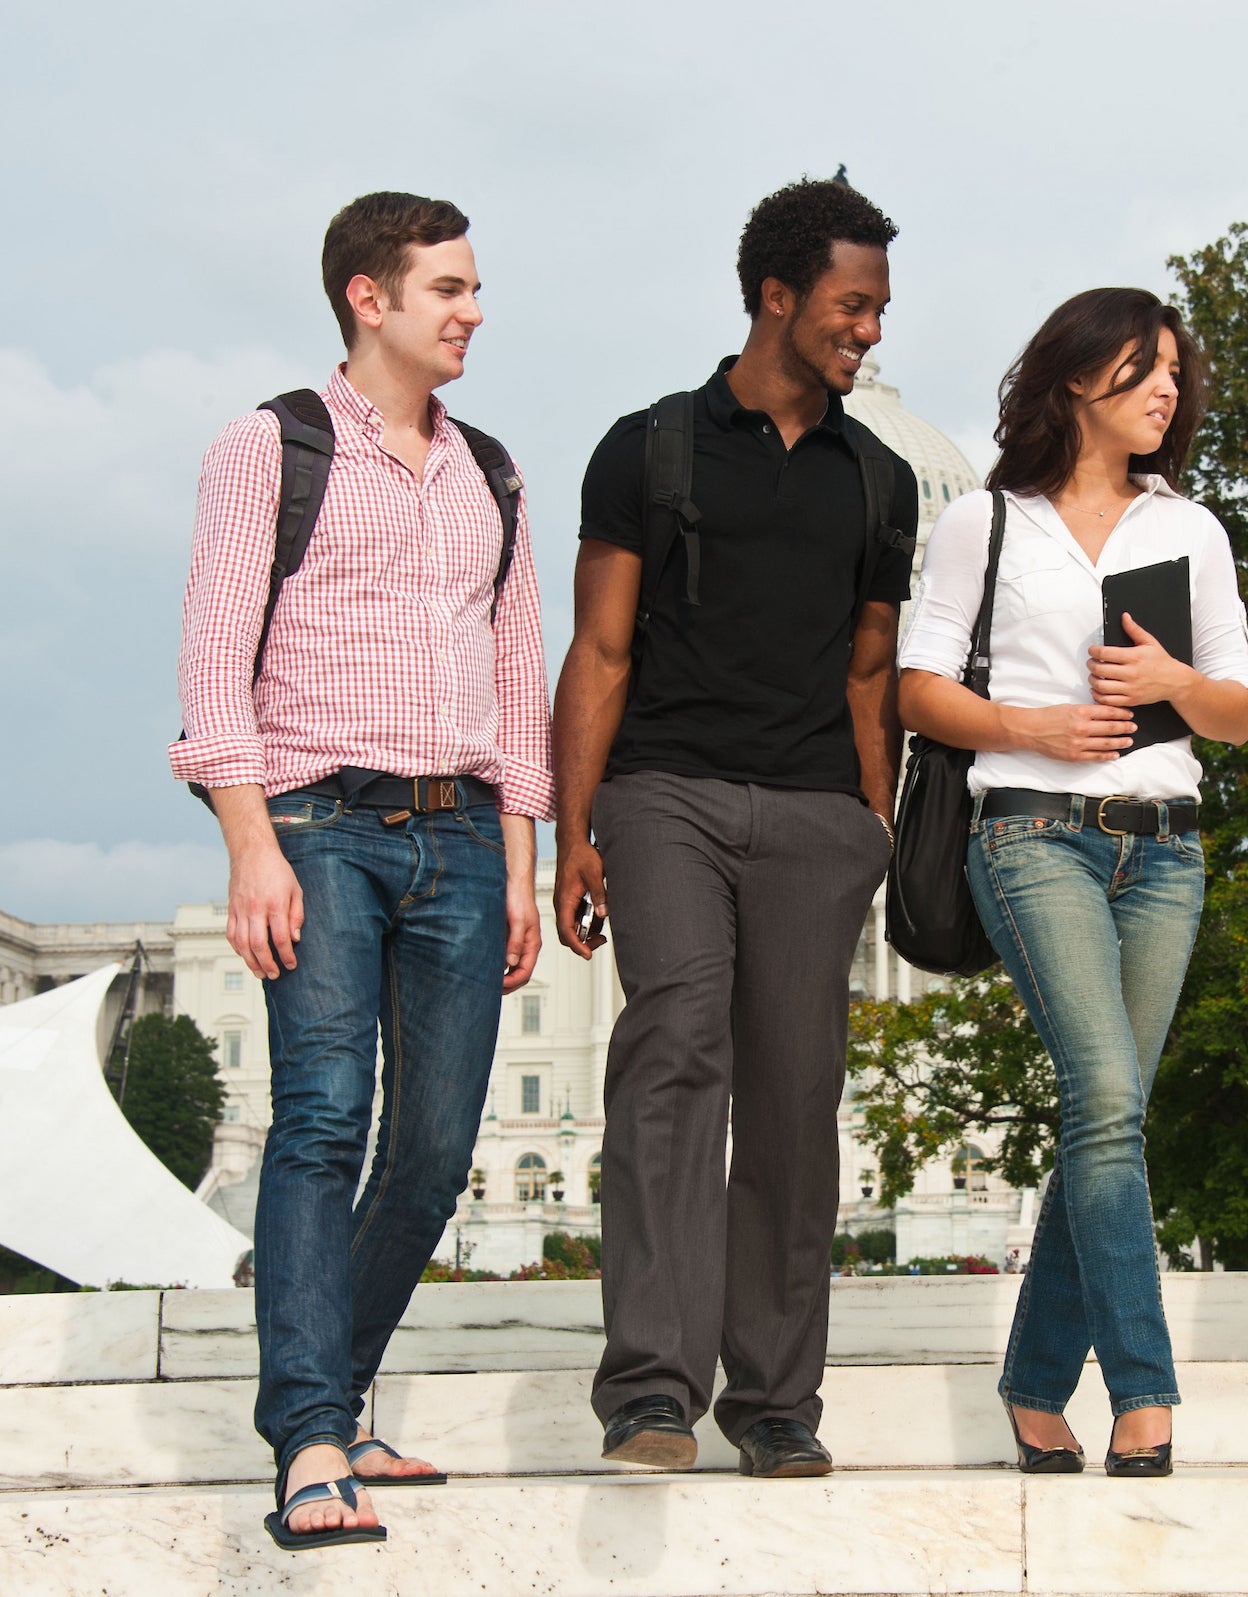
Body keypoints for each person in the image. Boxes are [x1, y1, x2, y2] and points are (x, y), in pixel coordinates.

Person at [171, 192, 550, 1547]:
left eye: (475, 285)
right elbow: (216, 659)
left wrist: (519, 863)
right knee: (323, 1119)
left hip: (459, 835)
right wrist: (249, 843)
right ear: (366, 297)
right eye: (448, 286)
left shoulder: (492, 472)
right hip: (317, 826)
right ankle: (312, 1437)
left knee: (438, 1151)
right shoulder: (269, 448)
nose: (473, 309)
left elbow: (516, 687)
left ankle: (337, 1390)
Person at [552, 178, 914, 1480]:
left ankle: (774, 1400)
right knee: (673, 1056)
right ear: (776, 295)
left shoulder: (877, 483)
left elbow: (871, 674)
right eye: (850, 305)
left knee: (795, 1101)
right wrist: (570, 831)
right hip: (667, 798)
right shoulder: (646, 449)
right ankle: (652, 1390)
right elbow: (597, 650)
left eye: (877, 308)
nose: (869, 329)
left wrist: (872, 828)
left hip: (818, 816)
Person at [896, 288, 1248, 1478]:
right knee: (1104, 1098)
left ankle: (1035, 1385)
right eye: (1143, 369)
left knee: (1110, 1117)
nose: (1168, 390)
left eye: (1175, 373)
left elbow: (1237, 711)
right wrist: (1034, 727)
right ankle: (1147, 1394)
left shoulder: (1192, 531)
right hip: (1029, 833)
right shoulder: (984, 525)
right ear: (1073, 382)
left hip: (1168, 846)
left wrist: (1169, 674)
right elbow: (917, 688)